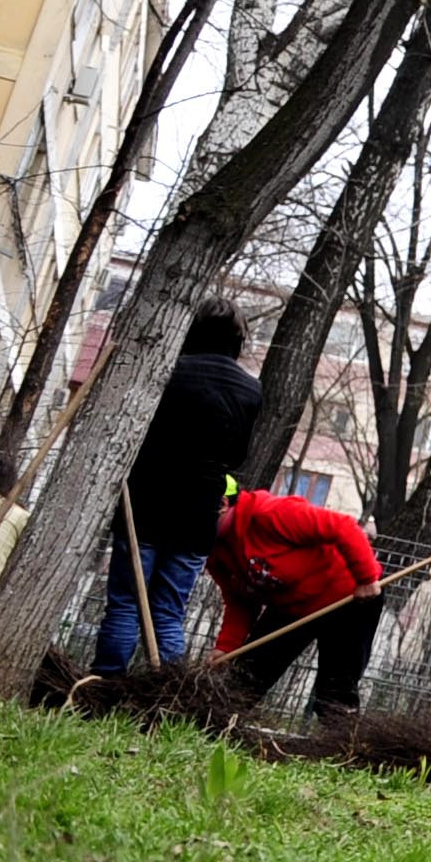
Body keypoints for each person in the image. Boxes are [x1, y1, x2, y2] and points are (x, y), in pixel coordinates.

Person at [92, 305, 261, 673]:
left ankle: (105, 687)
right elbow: (237, 455)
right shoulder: (251, 389)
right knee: (168, 610)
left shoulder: (169, 370)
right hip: (198, 513)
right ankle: (167, 693)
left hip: (147, 502)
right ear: (237, 340)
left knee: (125, 603)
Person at [206, 478, 385, 720]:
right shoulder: (215, 551)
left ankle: (342, 749)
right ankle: (215, 727)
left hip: (348, 597)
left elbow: (342, 526)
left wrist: (366, 577)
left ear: (223, 504)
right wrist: (226, 646)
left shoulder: (271, 513)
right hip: (292, 607)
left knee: (336, 689)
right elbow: (239, 600)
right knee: (244, 679)